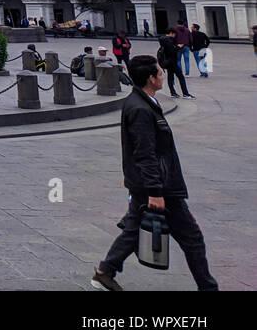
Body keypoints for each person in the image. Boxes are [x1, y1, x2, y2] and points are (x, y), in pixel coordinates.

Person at [91, 54, 218, 291]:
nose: (163, 76)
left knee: (135, 228)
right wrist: (155, 191)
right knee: (192, 239)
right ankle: (208, 288)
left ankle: (105, 270)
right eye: (160, 73)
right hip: (160, 186)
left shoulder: (144, 102)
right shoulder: (140, 109)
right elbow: (145, 153)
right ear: (150, 79)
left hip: (149, 184)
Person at [156, 33, 192, 99]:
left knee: (170, 77)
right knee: (181, 77)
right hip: (172, 63)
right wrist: (178, 47)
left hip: (168, 63)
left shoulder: (162, 45)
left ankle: (173, 93)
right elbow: (172, 52)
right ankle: (185, 93)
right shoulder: (168, 44)